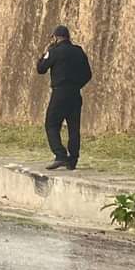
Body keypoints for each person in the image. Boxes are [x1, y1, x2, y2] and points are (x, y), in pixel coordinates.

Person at [36, 25, 92, 170]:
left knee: (52, 124)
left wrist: (43, 55)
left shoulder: (54, 51)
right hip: (75, 93)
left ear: (55, 37)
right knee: (74, 128)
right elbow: (88, 74)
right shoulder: (78, 51)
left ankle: (60, 155)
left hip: (59, 93)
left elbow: (41, 69)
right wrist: (77, 85)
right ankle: (72, 160)